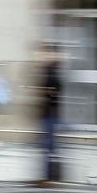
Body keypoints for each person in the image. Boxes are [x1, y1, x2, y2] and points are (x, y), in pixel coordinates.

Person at [37, 46, 62, 184]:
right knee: (48, 146)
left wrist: (43, 91)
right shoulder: (48, 70)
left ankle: (49, 177)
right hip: (48, 114)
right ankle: (49, 176)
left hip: (50, 114)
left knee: (49, 146)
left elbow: (54, 91)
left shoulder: (51, 71)